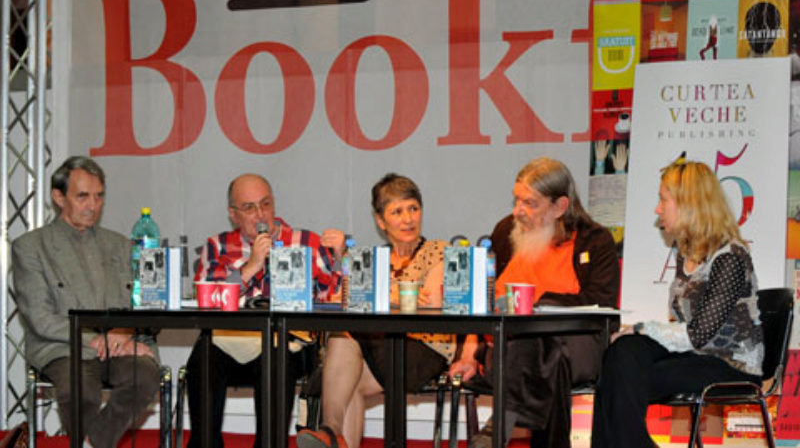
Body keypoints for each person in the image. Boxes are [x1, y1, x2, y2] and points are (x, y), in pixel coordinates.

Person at [591, 161, 763, 448]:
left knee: (622, 378)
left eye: (663, 200)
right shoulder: (687, 253)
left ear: (688, 203)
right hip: (695, 353)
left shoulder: (730, 257)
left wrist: (643, 328)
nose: (658, 209)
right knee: (621, 353)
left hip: (729, 364)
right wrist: (636, 334)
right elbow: (685, 332)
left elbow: (699, 334)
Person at [297, 173, 475, 448]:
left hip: (424, 349)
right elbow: (344, 298)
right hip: (380, 346)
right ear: (381, 221)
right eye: (397, 211)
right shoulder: (375, 260)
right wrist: (383, 290)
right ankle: (333, 433)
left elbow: (426, 301)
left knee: (345, 339)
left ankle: (330, 431)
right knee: (349, 383)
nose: (408, 219)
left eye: (413, 209)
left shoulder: (441, 251)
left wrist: (381, 292)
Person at [457, 158, 620, 448]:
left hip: (579, 346)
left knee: (545, 340)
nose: (518, 211)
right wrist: (469, 352)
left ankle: (497, 429)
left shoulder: (595, 241)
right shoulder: (506, 232)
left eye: (530, 203)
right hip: (503, 350)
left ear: (560, 207)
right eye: (517, 199)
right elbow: (479, 298)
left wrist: (540, 306)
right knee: (545, 352)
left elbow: (602, 304)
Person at [12, 156, 161, 448]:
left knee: (144, 378)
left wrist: (125, 333)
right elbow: (41, 319)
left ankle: (94, 442)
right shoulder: (30, 247)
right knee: (81, 390)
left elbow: (143, 302)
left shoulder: (119, 244)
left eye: (98, 196)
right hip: (64, 346)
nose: (92, 205)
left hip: (119, 344)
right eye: (82, 196)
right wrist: (95, 339)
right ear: (58, 197)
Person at [186, 173, 343, 448]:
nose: (260, 214)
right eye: (249, 208)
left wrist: (341, 259)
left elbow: (337, 300)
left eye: (266, 204)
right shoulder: (217, 247)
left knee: (276, 355)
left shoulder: (307, 242)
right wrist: (252, 266)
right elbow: (208, 303)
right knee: (203, 353)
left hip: (288, 345)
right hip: (231, 343)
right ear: (233, 214)